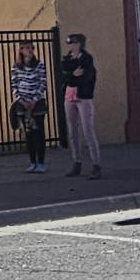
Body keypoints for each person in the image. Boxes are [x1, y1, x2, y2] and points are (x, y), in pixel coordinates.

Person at [59, 32, 101, 180]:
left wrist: (73, 77)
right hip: (69, 96)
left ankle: (96, 165)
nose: (72, 46)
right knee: (72, 131)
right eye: (69, 43)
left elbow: (86, 77)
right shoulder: (66, 59)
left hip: (84, 96)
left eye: (74, 43)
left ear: (80, 44)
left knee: (88, 130)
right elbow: (64, 76)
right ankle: (76, 162)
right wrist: (73, 75)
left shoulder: (87, 59)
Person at [8, 43, 49, 173]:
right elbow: (14, 85)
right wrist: (22, 100)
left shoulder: (39, 64)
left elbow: (42, 83)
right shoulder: (16, 67)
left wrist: (34, 100)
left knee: (39, 132)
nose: (30, 50)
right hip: (22, 104)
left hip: (37, 103)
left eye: (32, 48)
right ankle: (32, 162)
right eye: (26, 48)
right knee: (28, 133)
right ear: (21, 50)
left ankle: (41, 163)